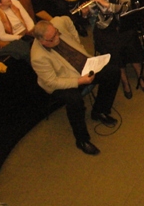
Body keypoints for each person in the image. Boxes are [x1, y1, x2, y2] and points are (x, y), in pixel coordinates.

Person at [31, 18, 119, 155]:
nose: (57, 37)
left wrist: (77, 42)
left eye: (56, 33)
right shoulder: (38, 57)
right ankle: (82, 140)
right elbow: (52, 82)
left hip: (82, 67)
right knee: (74, 100)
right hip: (62, 81)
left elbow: (67, 20)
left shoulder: (57, 25)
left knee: (113, 72)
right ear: (42, 42)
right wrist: (80, 81)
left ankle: (99, 111)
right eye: (52, 38)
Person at [84, 0, 144, 99]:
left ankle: (140, 76)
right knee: (114, 51)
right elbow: (94, 12)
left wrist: (104, 3)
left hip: (123, 25)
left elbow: (123, 8)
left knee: (132, 44)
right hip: (105, 29)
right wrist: (86, 10)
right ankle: (125, 81)